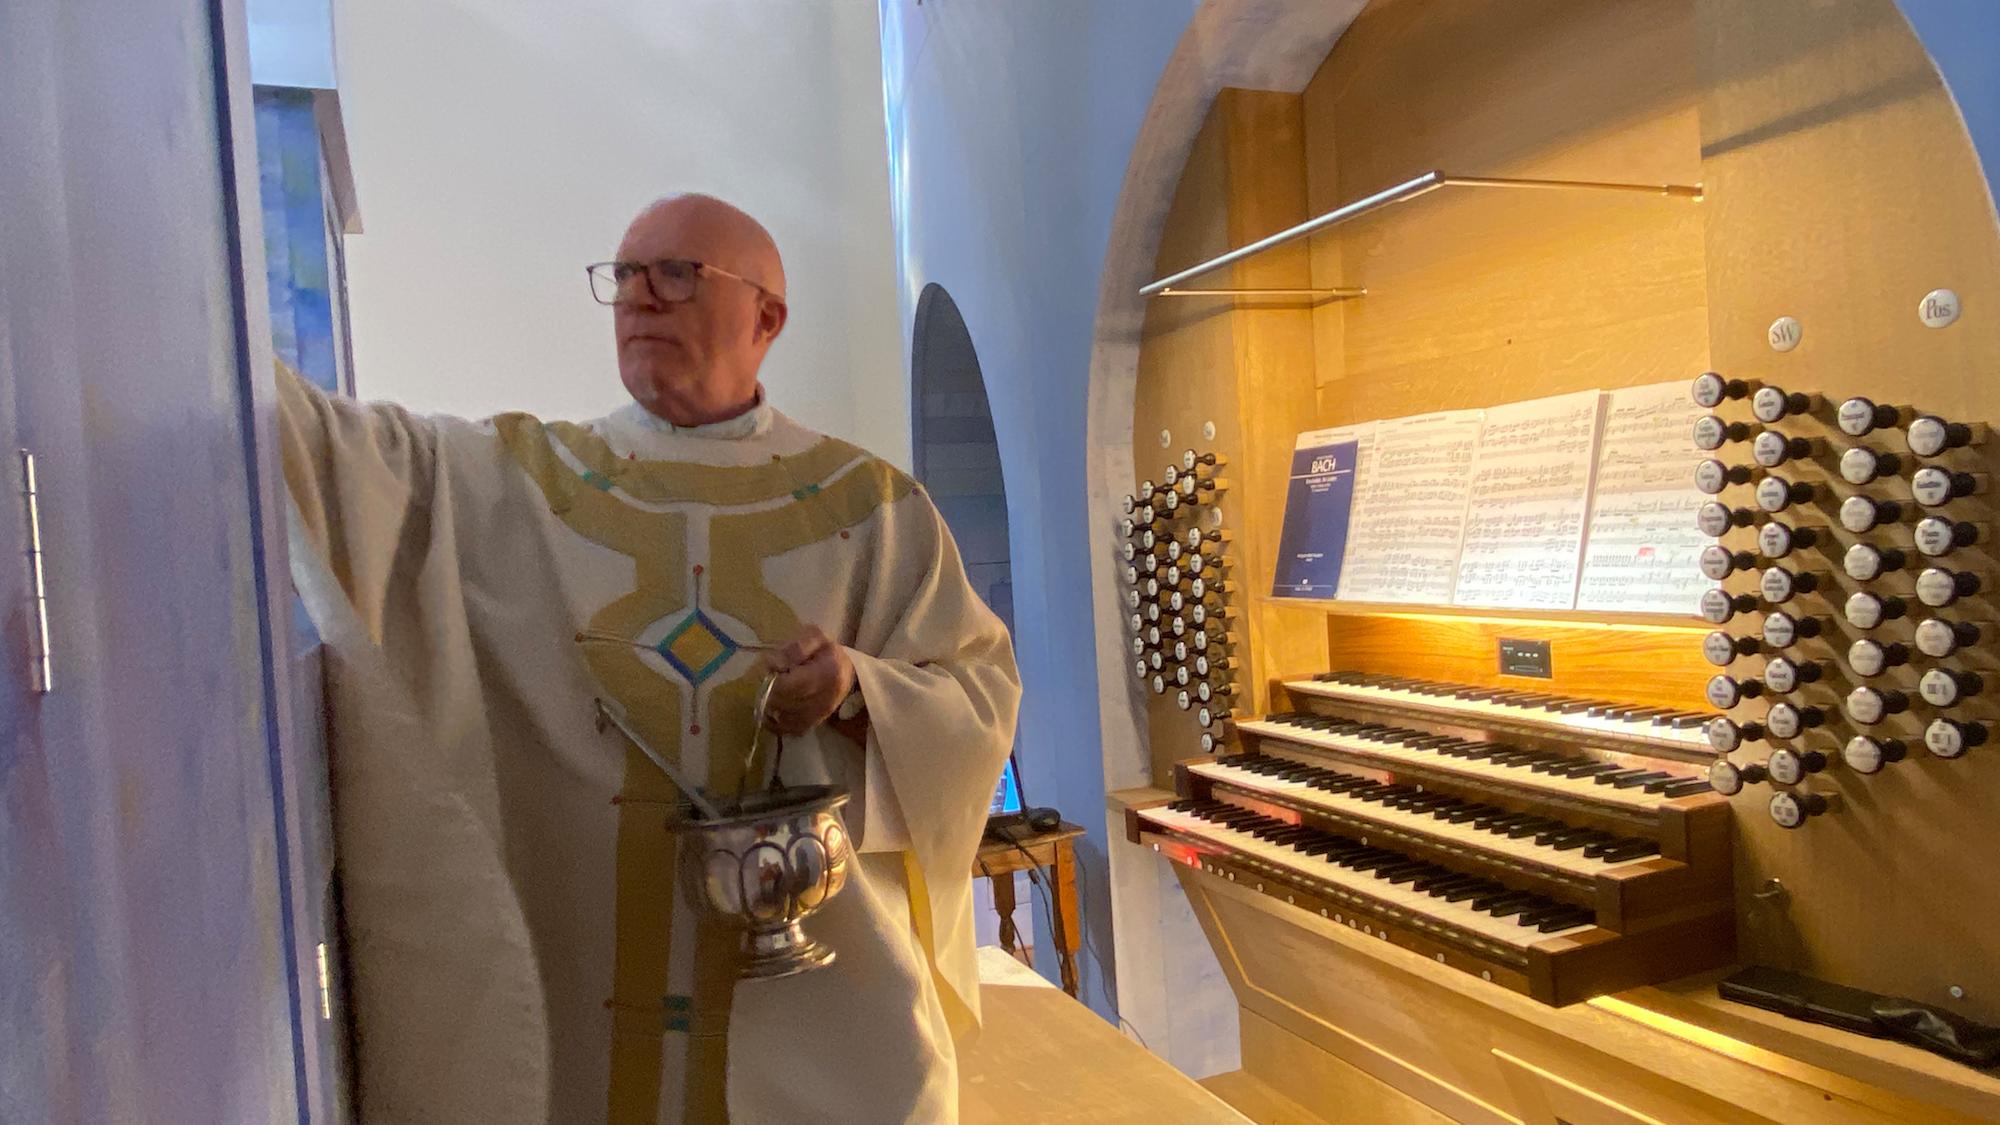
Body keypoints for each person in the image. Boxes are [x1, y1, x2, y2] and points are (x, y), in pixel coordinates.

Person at [278, 193, 1021, 1124]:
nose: (638, 298)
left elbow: (979, 693)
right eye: (624, 276)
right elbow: (357, 461)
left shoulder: (868, 508)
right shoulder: (522, 481)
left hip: (819, 1018)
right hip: (585, 1005)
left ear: (767, 318)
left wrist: (860, 689)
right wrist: (226, 358)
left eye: (676, 274)